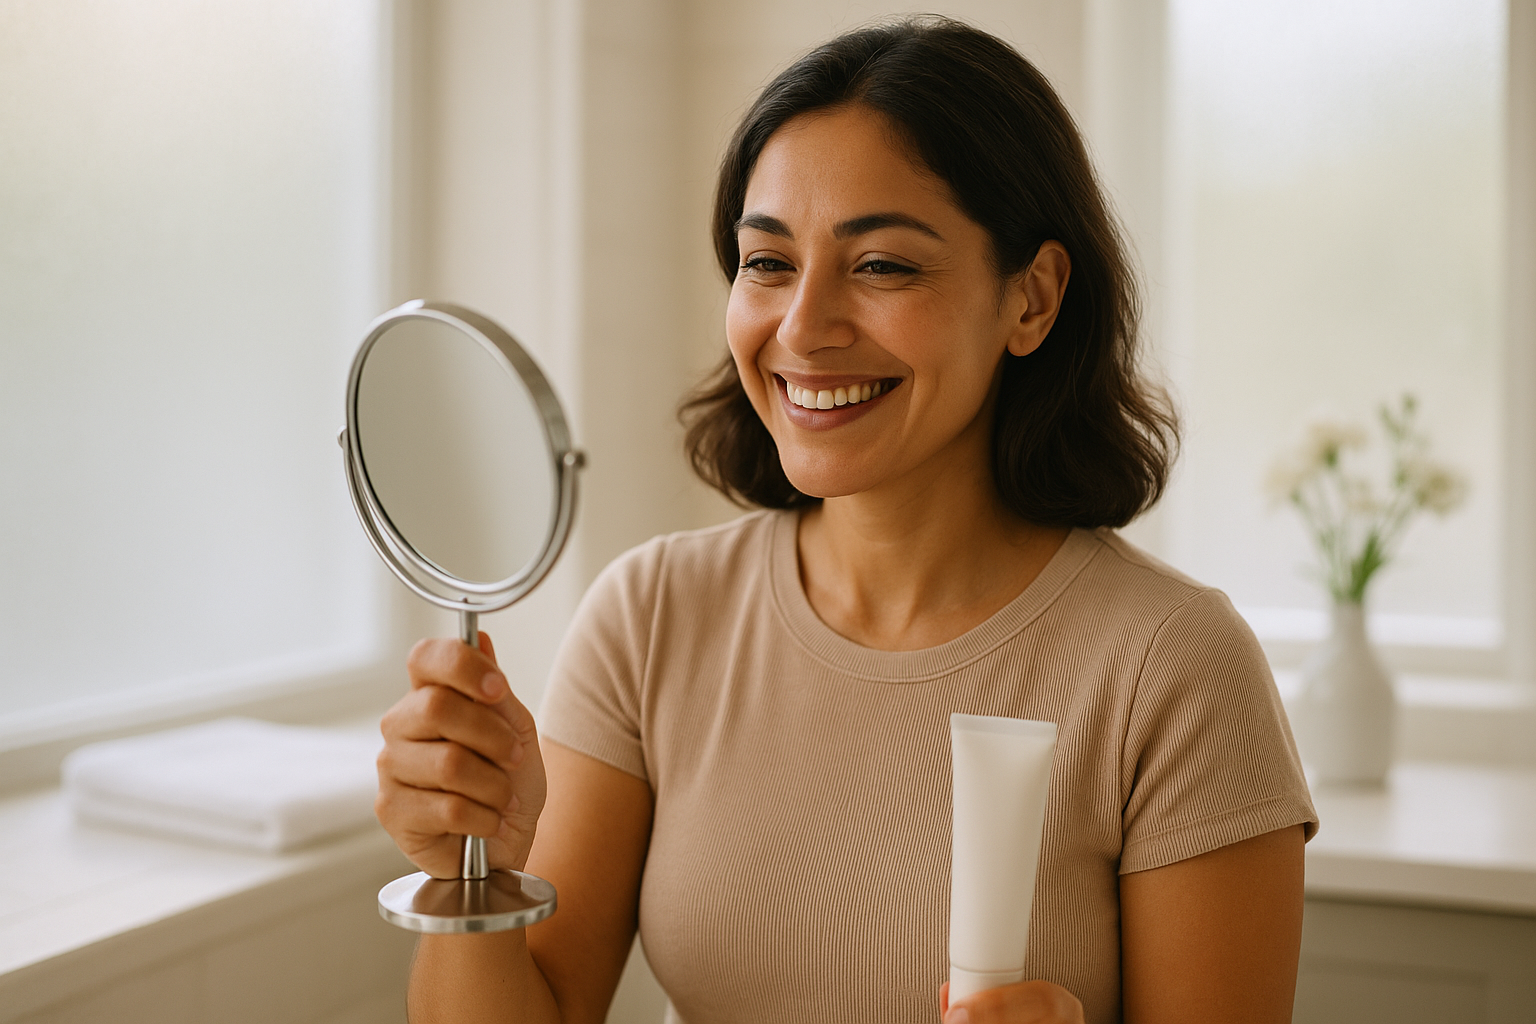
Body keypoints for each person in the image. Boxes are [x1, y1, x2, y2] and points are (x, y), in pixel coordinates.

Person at [375, 17, 1317, 1024]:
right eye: (767, 262)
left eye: (882, 267)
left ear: (1032, 298)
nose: (803, 327)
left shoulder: (1172, 666)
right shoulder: (652, 616)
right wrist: (472, 874)